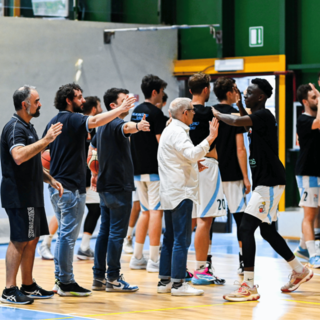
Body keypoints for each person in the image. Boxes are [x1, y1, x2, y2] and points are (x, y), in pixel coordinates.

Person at [212, 78, 313, 302]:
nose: (245, 95)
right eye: (244, 92)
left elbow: (237, 122)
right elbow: (246, 122)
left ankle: (248, 286)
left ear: (261, 97)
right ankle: (299, 270)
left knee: (246, 228)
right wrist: (238, 104)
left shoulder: (265, 115)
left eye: (249, 93)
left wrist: (218, 114)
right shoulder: (256, 118)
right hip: (265, 181)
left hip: (268, 181)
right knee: (266, 231)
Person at [43, 83, 135, 297]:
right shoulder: (73, 118)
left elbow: (44, 153)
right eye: (79, 97)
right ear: (69, 100)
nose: (83, 101)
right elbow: (94, 120)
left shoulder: (53, 120)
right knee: (67, 236)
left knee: (64, 236)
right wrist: (120, 110)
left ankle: (61, 279)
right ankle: (65, 282)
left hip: (56, 186)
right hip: (70, 188)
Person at [1, 86, 63, 304]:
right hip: (19, 194)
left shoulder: (27, 127)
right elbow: (18, 156)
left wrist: (49, 178)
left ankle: (28, 285)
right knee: (20, 240)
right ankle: (9, 289)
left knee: (33, 239)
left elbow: (33, 161)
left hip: (32, 192)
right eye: (37, 101)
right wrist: (46, 140)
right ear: (25, 104)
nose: (40, 104)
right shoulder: (15, 128)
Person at [157, 98, 219, 296]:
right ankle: (178, 284)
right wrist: (210, 138)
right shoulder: (178, 132)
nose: (194, 114)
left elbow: (180, 157)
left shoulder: (170, 130)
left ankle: (165, 281)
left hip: (169, 191)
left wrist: (193, 163)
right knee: (181, 240)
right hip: (180, 192)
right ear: (185, 113)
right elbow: (192, 154)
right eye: (192, 111)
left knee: (169, 238)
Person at [90, 88, 150, 292]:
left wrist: (94, 172)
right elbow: (126, 127)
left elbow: (93, 151)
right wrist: (139, 126)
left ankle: (98, 277)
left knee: (104, 233)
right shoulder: (115, 122)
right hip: (118, 186)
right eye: (124, 100)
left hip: (105, 186)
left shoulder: (101, 126)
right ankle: (113, 278)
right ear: (113, 106)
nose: (129, 103)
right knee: (116, 234)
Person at [187, 73, 226, 285]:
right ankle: (201, 270)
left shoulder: (181, 113)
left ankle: (180, 267)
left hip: (188, 167)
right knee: (205, 219)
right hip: (206, 166)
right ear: (206, 90)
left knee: (190, 220)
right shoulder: (211, 112)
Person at [213, 77, 251, 275]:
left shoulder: (209, 112)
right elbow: (241, 149)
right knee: (240, 218)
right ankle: (244, 262)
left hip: (211, 174)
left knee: (207, 219)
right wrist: (246, 177)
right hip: (232, 174)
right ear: (230, 92)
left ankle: (206, 264)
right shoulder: (235, 114)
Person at [129, 74, 167, 272]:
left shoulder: (136, 111)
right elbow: (162, 144)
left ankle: (137, 258)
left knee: (144, 212)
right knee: (155, 213)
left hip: (137, 171)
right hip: (154, 171)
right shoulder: (156, 113)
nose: (163, 95)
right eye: (161, 91)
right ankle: (154, 260)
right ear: (155, 92)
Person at [293, 84, 320, 266]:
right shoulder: (303, 119)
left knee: (315, 213)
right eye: (314, 97)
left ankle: (303, 248)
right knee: (309, 214)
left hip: (316, 172)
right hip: (306, 172)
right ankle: (313, 253)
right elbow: (317, 123)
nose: (317, 100)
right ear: (305, 101)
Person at [77, 96, 103, 259]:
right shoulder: (79, 123)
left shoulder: (92, 126)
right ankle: (46, 242)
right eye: (99, 106)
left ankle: (84, 247)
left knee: (95, 209)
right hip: (75, 176)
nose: (100, 108)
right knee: (66, 212)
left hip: (87, 176)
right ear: (94, 108)